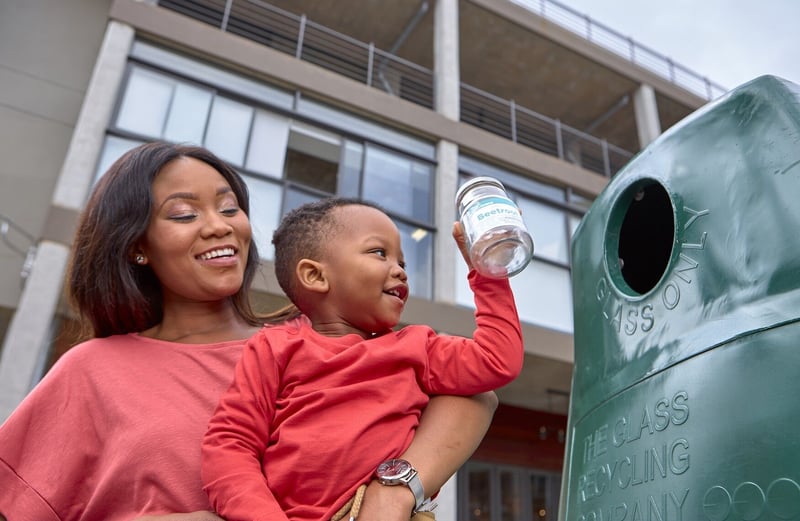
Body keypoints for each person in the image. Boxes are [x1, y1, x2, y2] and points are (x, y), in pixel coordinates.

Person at [0, 142, 499, 521]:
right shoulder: (92, 370)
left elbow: (475, 396)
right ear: (137, 246)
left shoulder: (315, 339)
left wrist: (396, 489)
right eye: (183, 213)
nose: (219, 225)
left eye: (229, 207)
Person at [201, 198, 525, 520]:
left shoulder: (418, 346)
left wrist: (489, 273)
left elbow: (498, 360)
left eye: (403, 263)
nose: (399, 270)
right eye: (379, 253)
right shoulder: (273, 348)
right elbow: (230, 445)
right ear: (315, 276)